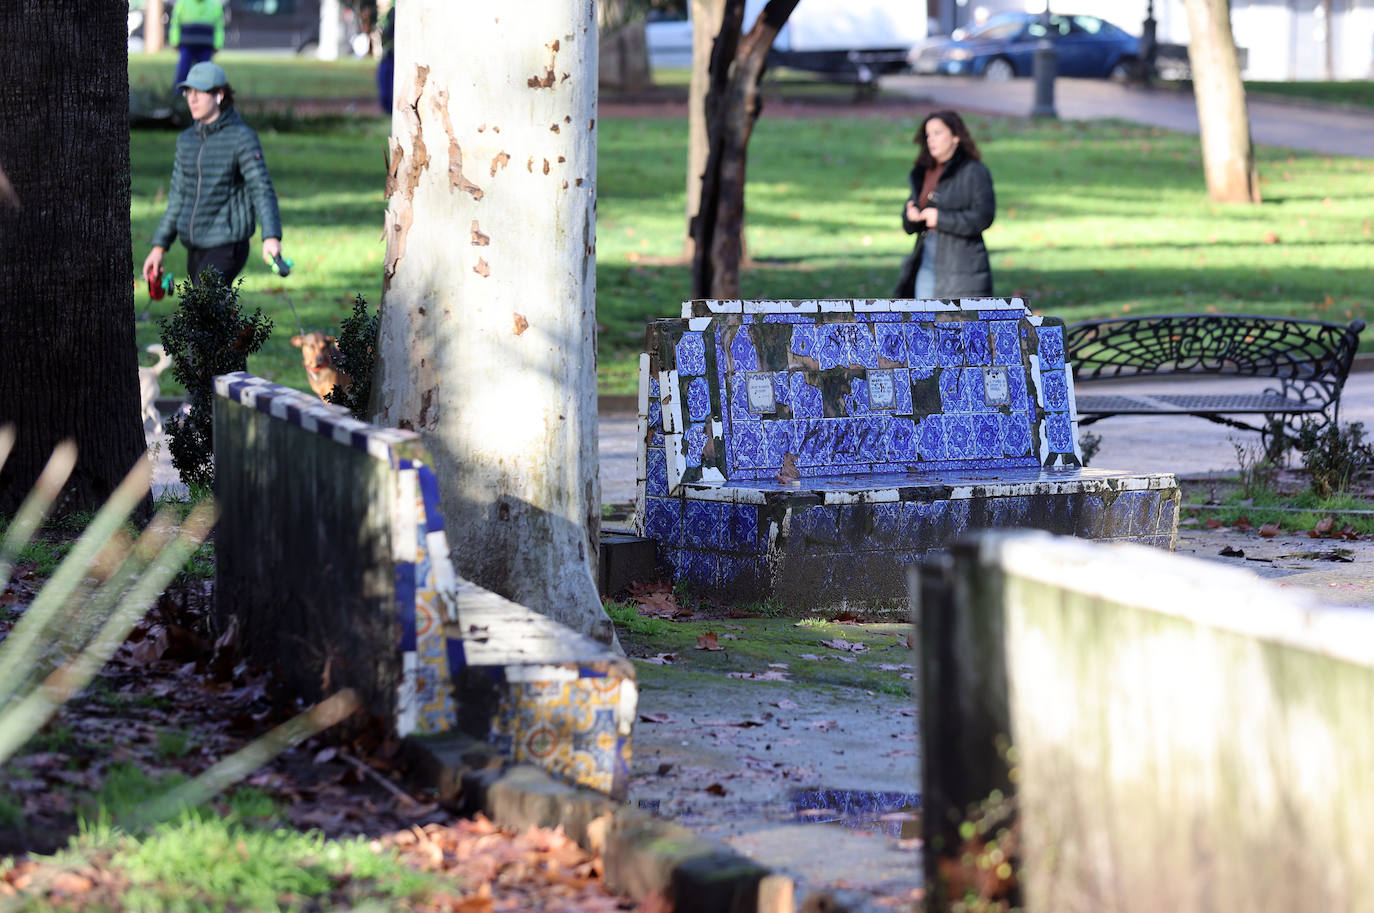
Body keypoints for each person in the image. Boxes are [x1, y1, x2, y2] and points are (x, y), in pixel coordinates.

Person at [142, 62, 284, 290]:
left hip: (228, 244)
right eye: (189, 92)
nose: (192, 99)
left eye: (200, 92)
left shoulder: (241, 138)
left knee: (202, 302)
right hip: (195, 246)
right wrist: (159, 248)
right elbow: (177, 197)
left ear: (219, 94)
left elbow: (261, 189)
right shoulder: (186, 141)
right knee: (210, 316)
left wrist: (271, 236)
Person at [893, 110, 996, 300]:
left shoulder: (974, 171)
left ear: (956, 136)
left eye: (937, 133)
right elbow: (909, 223)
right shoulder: (923, 172)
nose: (931, 139)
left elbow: (983, 217)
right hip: (925, 258)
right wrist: (911, 216)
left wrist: (940, 219)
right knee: (924, 324)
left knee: (955, 326)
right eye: (928, 135)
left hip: (961, 264)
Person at [168, 0, 226, 88]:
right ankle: (179, 94)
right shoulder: (182, 3)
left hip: (205, 47)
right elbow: (175, 24)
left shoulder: (215, 5)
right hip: (186, 46)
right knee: (183, 72)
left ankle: (205, 94)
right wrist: (174, 41)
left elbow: (219, 27)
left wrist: (218, 44)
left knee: (206, 74)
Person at [376, 4, 396, 114]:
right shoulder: (387, 27)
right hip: (387, 59)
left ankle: (389, 109)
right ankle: (387, 109)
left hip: (392, 60)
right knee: (385, 86)